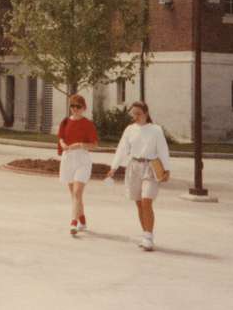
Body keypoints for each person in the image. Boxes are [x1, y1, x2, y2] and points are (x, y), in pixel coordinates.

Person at [106, 101, 171, 251]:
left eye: (138, 114)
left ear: (146, 114)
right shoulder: (130, 130)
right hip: (134, 167)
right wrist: (113, 167)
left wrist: (167, 169)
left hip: (151, 167)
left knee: (147, 201)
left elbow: (163, 149)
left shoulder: (156, 130)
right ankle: (145, 235)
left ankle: (149, 237)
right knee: (139, 204)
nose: (135, 117)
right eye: (133, 114)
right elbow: (122, 149)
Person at [58, 94, 99, 236]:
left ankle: (73, 222)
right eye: (72, 106)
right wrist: (63, 144)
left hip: (82, 159)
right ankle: (82, 219)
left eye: (78, 106)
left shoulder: (88, 124)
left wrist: (80, 145)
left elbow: (94, 145)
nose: (75, 109)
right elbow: (61, 138)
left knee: (77, 193)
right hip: (68, 158)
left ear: (84, 108)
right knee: (75, 195)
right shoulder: (65, 122)